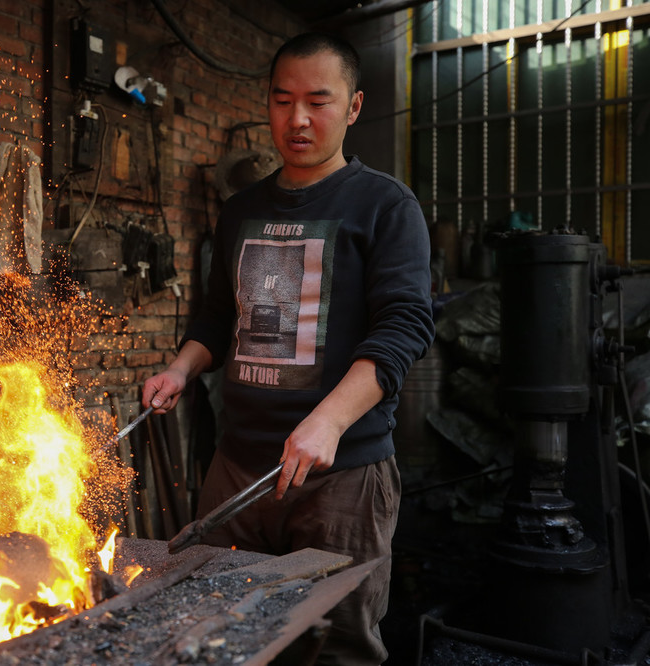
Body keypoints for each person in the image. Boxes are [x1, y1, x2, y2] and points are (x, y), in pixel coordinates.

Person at [142, 31, 434, 665]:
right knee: (214, 637)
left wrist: (327, 421)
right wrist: (180, 369)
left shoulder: (386, 206)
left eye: (318, 102)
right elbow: (218, 319)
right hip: (237, 469)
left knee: (336, 649)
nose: (297, 119)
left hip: (341, 478)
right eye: (282, 101)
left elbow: (405, 326)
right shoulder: (240, 209)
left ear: (353, 107)